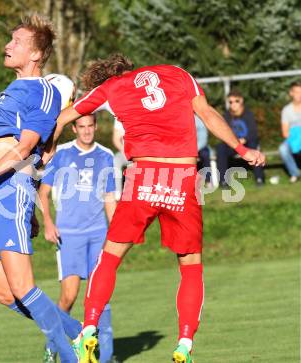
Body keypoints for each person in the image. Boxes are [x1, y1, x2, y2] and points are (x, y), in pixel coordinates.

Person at [45, 53, 265, 363]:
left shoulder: (112, 86)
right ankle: (184, 344)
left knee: (108, 258)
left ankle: (89, 329)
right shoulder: (177, 73)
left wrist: (49, 149)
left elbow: (63, 118)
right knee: (190, 267)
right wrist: (241, 149)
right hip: (182, 177)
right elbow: (208, 113)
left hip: (144, 175)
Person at [0, 15, 80, 363]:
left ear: (37, 54)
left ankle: (75, 357)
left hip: (9, 189)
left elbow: (25, 148)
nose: (7, 46)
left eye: (17, 41)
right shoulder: (7, 91)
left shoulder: (44, 90)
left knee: (24, 287)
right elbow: (0, 147)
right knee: (4, 293)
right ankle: (80, 332)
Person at [38, 114, 117, 363]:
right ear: (73, 128)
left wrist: (116, 234)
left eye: (90, 126)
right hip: (68, 235)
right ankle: (53, 345)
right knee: (69, 296)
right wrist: (48, 222)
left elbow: (109, 198)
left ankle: (105, 355)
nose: (86, 131)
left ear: (96, 127)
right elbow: (44, 191)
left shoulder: (105, 155)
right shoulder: (61, 154)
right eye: (81, 127)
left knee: (100, 295)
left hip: (98, 235)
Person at [216, 90, 265, 187]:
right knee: (220, 148)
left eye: (236, 101)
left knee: (253, 147)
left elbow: (253, 133)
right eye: (230, 102)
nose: (233, 104)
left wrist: (244, 139)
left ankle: (259, 179)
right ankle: (223, 181)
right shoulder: (227, 115)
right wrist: (235, 142)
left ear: (241, 100)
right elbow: (225, 133)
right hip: (234, 144)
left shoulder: (248, 114)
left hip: (247, 142)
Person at [279, 81, 301, 183]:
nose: (299, 95)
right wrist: (296, 140)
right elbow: (285, 133)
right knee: (283, 149)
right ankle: (295, 173)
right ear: (291, 93)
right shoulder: (286, 110)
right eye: (296, 92)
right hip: (292, 138)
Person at [112, 119, 130, 199]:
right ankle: (117, 192)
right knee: (116, 160)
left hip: (142, 154)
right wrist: (126, 152)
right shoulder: (120, 117)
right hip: (125, 153)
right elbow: (116, 139)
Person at [195, 115, 212, 186]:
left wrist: (194, 150)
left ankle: (208, 181)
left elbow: (203, 140)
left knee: (205, 155)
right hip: (185, 148)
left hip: (200, 147)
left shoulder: (198, 120)